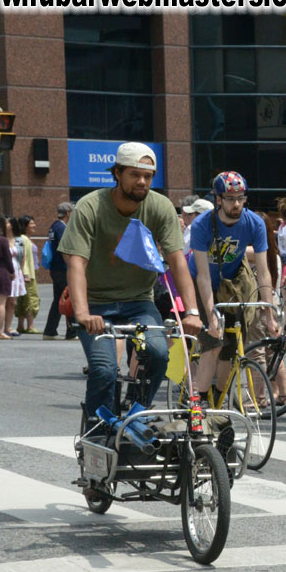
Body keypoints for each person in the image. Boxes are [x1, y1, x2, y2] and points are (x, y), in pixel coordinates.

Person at [58, 141, 203, 417]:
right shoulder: (91, 206)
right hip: (97, 303)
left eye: (148, 176)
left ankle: (136, 409)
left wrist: (192, 312)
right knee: (104, 369)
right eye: (134, 174)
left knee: (159, 353)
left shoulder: (159, 207)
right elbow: (76, 263)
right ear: (117, 173)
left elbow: (177, 263)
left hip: (139, 302)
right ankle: (97, 429)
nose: (142, 181)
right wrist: (83, 313)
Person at [191, 171, 276, 402]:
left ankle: (219, 401)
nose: (236, 203)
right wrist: (211, 316)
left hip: (231, 285)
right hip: (201, 282)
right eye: (230, 198)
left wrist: (269, 314)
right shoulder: (202, 225)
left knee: (230, 349)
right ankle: (200, 405)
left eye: (241, 197)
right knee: (213, 342)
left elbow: (264, 271)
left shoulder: (254, 223)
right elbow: (202, 277)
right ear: (218, 199)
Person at [43, 203, 76, 340]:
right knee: (70, 299)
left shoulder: (54, 226)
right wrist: (72, 266)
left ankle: (49, 331)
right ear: (68, 212)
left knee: (58, 299)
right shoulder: (62, 228)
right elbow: (64, 249)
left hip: (55, 268)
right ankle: (72, 331)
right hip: (63, 268)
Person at [13, 215, 41, 334]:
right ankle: (30, 326)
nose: (34, 225)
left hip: (30, 272)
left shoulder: (26, 239)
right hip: (28, 273)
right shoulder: (23, 239)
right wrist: (25, 274)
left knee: (23, 299)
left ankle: (21, 325)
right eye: (31, 224)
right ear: (25, 226)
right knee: (31, 299)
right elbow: (22, 257)